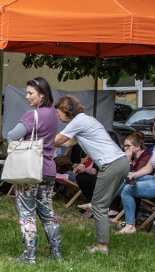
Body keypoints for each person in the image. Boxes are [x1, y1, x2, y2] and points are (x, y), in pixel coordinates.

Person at [54, 95, 129, 254]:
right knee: (101, 203)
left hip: (111, 164)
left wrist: (37, 141)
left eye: (58, 111)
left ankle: (102, 247)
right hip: (121, 162)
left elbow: (58, 140)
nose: (57, 115)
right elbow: (68, 142)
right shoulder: (87, 120)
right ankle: (95, 204)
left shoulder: (78, 122)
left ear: (66, 110)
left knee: (100, 207)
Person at [6, 77, 61, 263]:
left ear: (42, 95)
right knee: (48, 213)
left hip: (30, 170)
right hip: (49, 169)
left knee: (27, 212)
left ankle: (29, 255)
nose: (27, 96)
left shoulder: (32, 115)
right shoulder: (53, 114)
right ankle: (56, 253)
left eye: (31, 93)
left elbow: (12, 135)